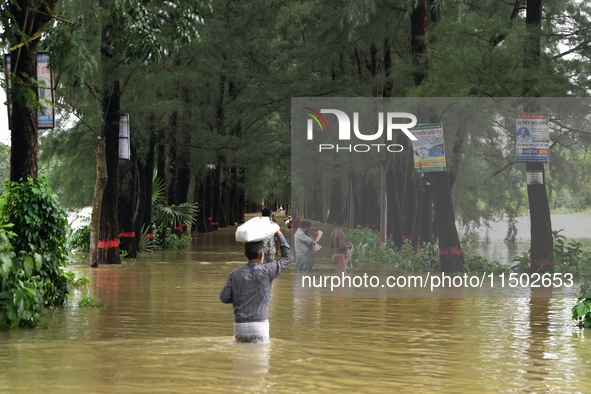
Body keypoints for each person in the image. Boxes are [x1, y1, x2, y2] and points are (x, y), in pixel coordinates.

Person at [220, 228, 292, 344]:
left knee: (241, 359)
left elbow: (224, 297)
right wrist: (278, 232)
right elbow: (288, 257)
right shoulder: (267, 271)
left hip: (240, 326)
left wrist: (240, 296)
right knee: (260, 359)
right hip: (259, 325)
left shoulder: (234, 274)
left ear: (245, 254)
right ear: (261, 255)